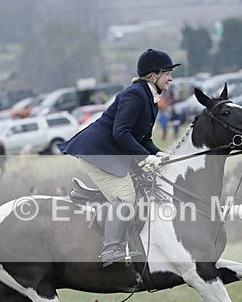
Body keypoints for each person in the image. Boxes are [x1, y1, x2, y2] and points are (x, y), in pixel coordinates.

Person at [57, 48, 178, 267]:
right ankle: (112, 249)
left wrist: (159, 154)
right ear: (153, 76)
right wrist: (144, 158)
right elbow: (120, 132)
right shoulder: (135, 94)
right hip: (99, 151)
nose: (171, 78)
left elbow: (143, 139)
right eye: (167, 73)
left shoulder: (150, 98)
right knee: (126, 196)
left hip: (114, 151)